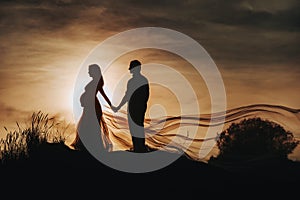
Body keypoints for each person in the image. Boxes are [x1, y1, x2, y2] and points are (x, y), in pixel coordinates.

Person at [70, 64, 113, 152]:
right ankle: (87, 147)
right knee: (87, 126)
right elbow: (102, 94)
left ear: (94, 71)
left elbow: (103, 94)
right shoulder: (95, 81)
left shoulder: (97, 82)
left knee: (91, 126)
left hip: (93, 107)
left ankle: (93, 147)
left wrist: (111, 105)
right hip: (89, 107)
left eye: (90, 70)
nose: (88, 72)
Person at [112, 60, 149, 153]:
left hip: (137, 108)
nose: (130, 70)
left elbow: (143, 96)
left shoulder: (139, 81)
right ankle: (137, 147)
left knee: (137, 127)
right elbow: (128, 96)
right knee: (134, 128)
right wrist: (118, 107)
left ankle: (140, 148)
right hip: (134, 108)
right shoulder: (136, 81)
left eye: (131, 68)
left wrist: (118, 107)